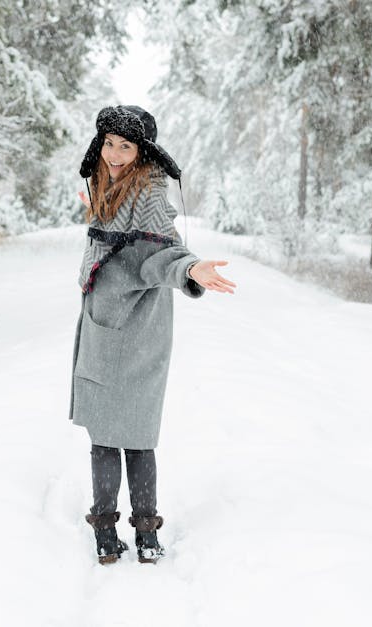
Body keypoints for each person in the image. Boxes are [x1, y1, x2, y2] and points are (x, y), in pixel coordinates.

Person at [69, 105, 236, 565]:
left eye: (126, 146)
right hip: (104, 326)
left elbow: (165, 253)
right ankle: (108, 534)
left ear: (142, 151)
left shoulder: (150, 193)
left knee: (137, 436)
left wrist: (191, 269)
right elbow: (111, 238)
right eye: (109, 143)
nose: (116, 153)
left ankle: (144, 533)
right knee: (105, 436)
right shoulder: (105, 186)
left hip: (140, 330)